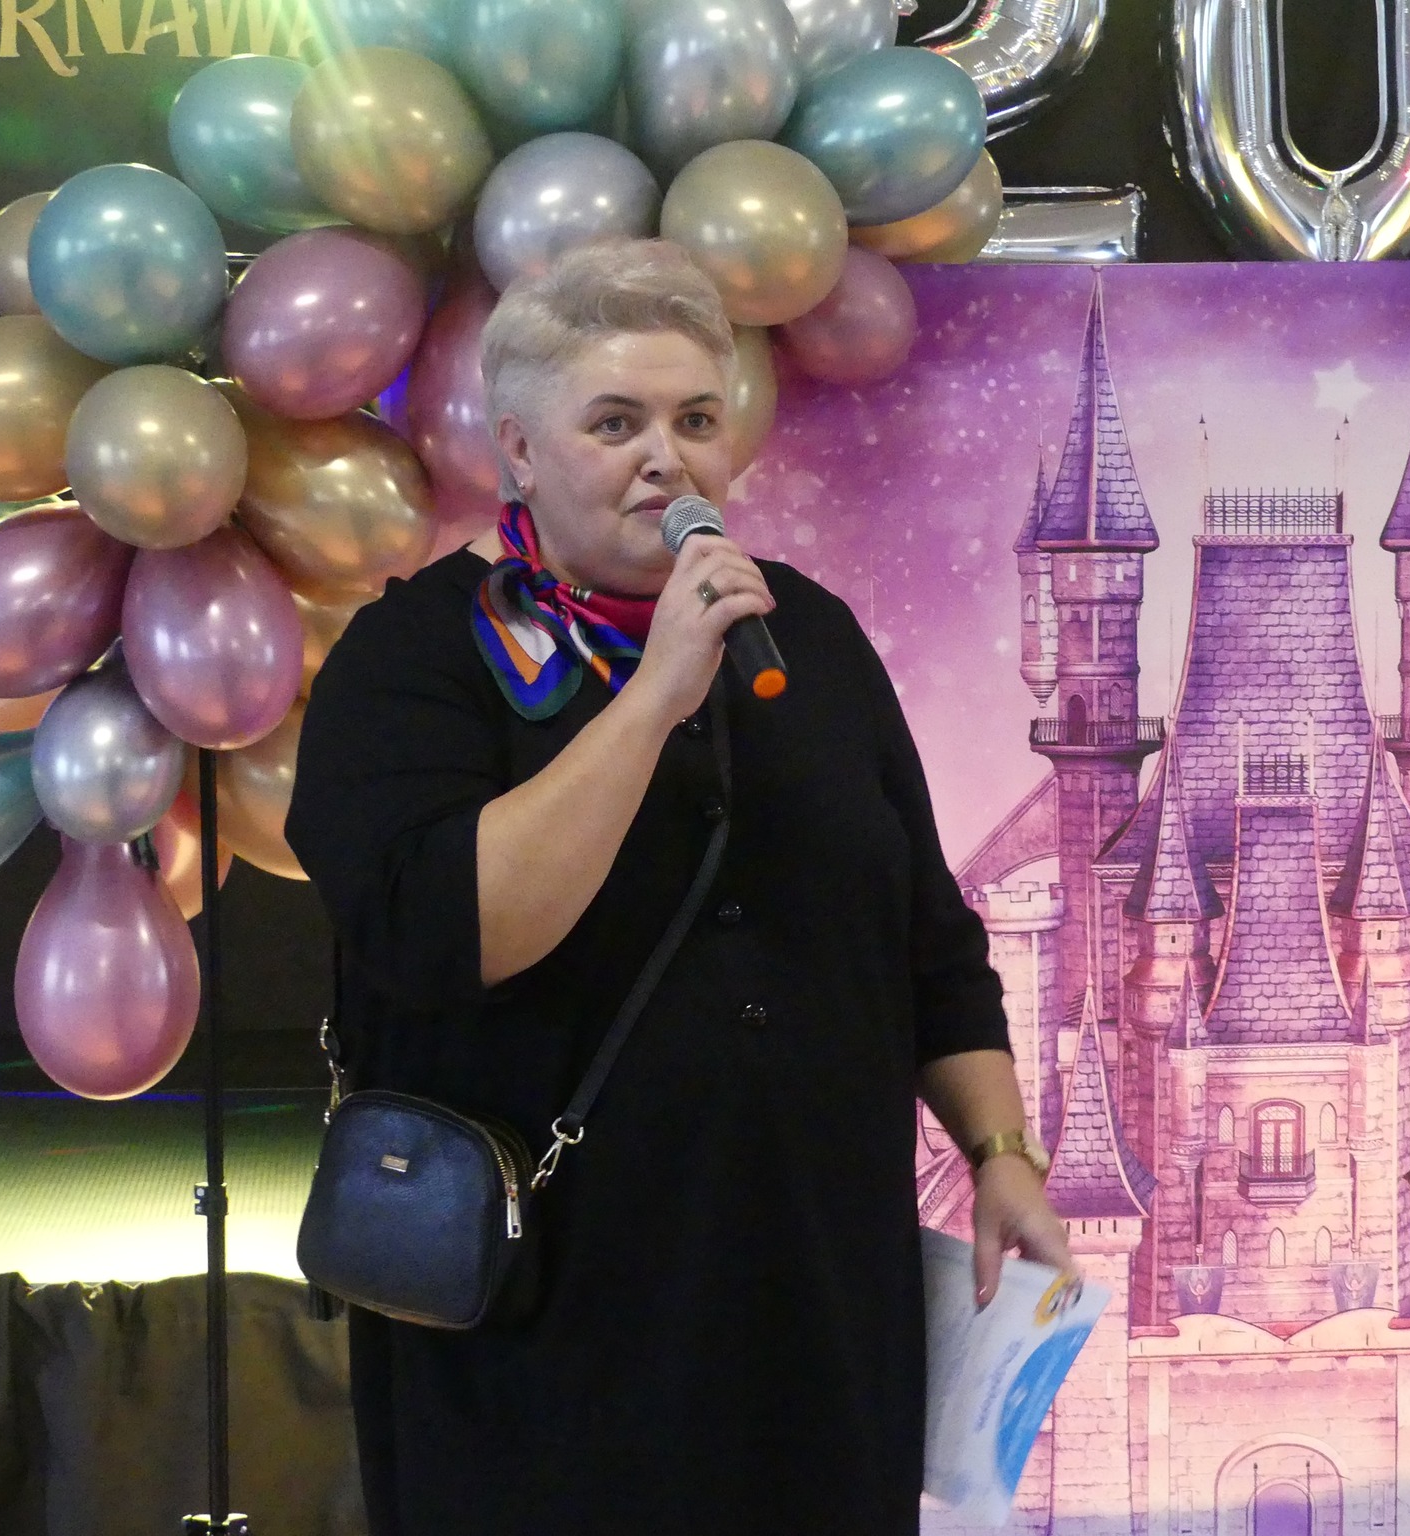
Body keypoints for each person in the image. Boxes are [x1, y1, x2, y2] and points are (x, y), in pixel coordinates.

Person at [284, 238, 1073, 1535]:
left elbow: (930, 943)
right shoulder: (413, 658)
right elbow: (455, 933)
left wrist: (1001, 1154)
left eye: (696, 421)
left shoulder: (808, 637)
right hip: (550, 1323)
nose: (668, 458)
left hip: (818, 1295)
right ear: (518, 452)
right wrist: (656, 693)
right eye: (616, 424)